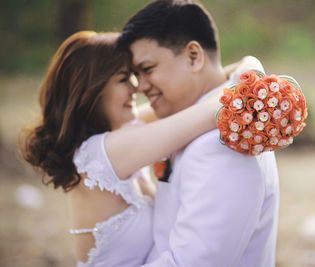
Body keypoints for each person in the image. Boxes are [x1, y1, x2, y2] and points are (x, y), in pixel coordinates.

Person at [19, 30, 233, 266]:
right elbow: (208, 112)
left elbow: (190, 98)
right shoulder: (102, 153)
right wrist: (254, 78)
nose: (137, 88)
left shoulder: (117, 136)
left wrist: (246, 67)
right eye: (124, 79)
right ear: (92, 91)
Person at [118, 0, 280, 266]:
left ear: (194, 56)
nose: (140, 87)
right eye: (135, 75)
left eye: (147, 70)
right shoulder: (204, 116)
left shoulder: (220, 143)